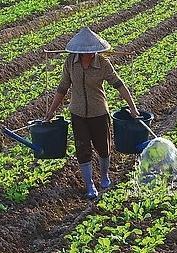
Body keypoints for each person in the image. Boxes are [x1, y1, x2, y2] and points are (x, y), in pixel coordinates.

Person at [44, 27, 140, 199]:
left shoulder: (103, 63)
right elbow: (62, 87)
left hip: (99, 113)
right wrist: (51, 111)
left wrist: (132, 107)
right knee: (83, 149)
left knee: (104, 148)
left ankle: (104, 176)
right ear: (79, 52)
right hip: (78, 113)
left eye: (93, 52)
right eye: (86, 52)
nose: (90, 55)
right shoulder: (70, 62)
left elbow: (119, 85)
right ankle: (89, 185)